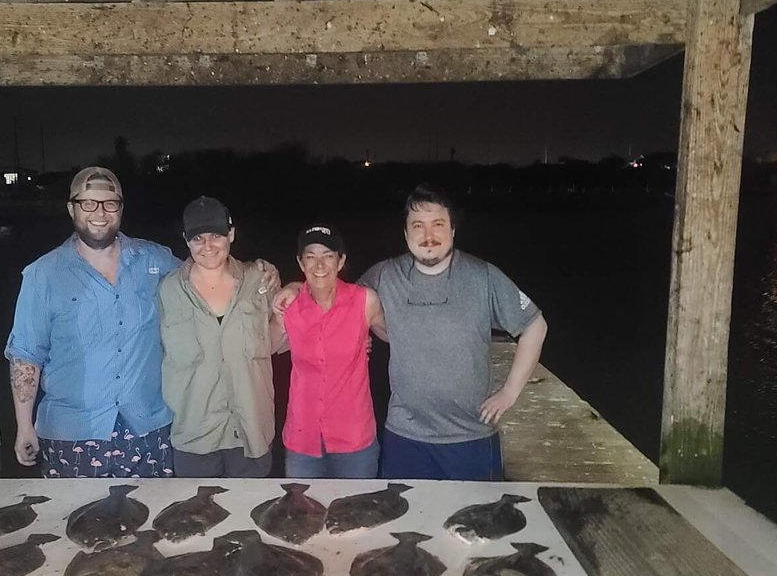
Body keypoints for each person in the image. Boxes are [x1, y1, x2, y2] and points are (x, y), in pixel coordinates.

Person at [275, 185, 547, 481]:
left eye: (438, 224)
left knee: (474, 522)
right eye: (418, 226)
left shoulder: (483, 276)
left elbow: (535, 324)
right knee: (404, 524)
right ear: (406, 234)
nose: (428, 235)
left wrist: (510, 392)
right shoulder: (385, 276)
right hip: (404, 436)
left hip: (470, 435)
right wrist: (294, 288)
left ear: (453, 230)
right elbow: (337, 296)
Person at [5, 166, 180, 477]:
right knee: (71, 523)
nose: (99, 213)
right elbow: (26, 356)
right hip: (71, 434)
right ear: (72, 208)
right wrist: (24, 425)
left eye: (109, 204)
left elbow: (208, 277)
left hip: (148, 430)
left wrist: (262, 275)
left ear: (121, 209)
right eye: (88, 203)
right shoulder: (42, 275)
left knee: (152, 523)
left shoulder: (155, 260)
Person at [158, 196, 283, 477]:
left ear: (232, 234)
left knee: (250, 517)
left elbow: (279, 341)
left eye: (216, 236)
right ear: (186, 240)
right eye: (198, 238)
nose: (208, 246)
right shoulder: (166, 291)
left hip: (252, 433)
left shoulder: (260, 281)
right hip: (194, 437)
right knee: (195, 520)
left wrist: (294, 292)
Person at [278, 224, 388, 478]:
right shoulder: (289, 304)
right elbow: (269, 345)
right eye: (311, 257)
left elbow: (394, 335)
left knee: (359, 515)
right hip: (302, 441)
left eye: (328, 256)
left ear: (341, 262)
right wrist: (277, 304)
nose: (319, 265)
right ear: (301, 262)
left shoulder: (365, 301)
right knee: (302, 515)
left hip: (355, 441)